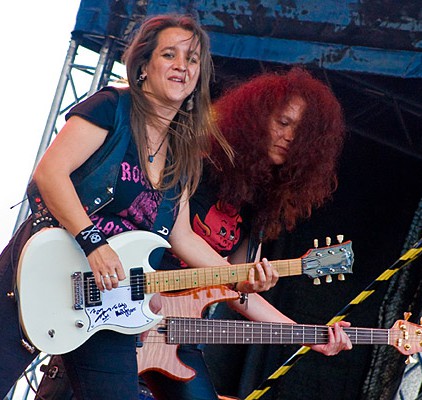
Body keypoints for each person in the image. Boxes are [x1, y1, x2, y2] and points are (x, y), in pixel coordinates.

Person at [0, 14, 276, 400]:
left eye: (193, 59)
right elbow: (49, 175)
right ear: (143, 66)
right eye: (170, 54)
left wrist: (241, 279)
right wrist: (94, 244)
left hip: (109, 302)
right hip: (42, 272)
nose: (183, 65)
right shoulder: (111, 107)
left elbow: (181, 237)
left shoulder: (184, 152)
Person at [140, 67, 350, 400]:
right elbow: (183, 239)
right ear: (254, 118)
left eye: (301, 134)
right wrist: (235, 276)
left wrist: (307, 335)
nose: (289, 138)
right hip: (129, 304)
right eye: (283, 123)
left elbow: (241, 292)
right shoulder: (198, 159)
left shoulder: (259, 201)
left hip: (175, 331)